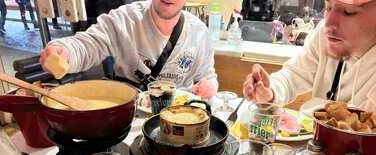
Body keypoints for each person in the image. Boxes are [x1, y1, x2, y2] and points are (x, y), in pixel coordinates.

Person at [40, 0, 217, 98]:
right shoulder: (125, 19)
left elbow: (208, 77)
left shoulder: (199, 32)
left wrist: (209, 87)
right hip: (128, 116)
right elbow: (88, 44)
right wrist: (63, 51)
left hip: (179, 118)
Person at [242, 0, 376, 110]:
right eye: (328, 7)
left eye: (348, 12)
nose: (329, 23)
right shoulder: (324, 34)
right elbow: (294, 75)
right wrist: (270, 92)